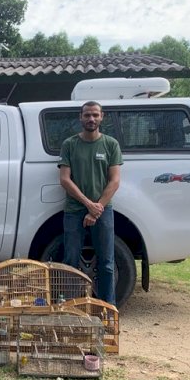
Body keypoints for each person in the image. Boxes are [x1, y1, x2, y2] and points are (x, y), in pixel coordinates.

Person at [58, 101, 122, 305]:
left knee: (106, 263)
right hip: (74, 210)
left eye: (95, 115)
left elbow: (115, 181)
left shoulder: (111, 144)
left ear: (102, 117)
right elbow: (65, 179)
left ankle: (107, 308)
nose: (91, 119)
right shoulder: (70, 144)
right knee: (70, 262)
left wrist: (96, 209)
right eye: (87, 115)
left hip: (103, 210)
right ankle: (71, 307)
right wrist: (88, 205)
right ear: (80, 117)